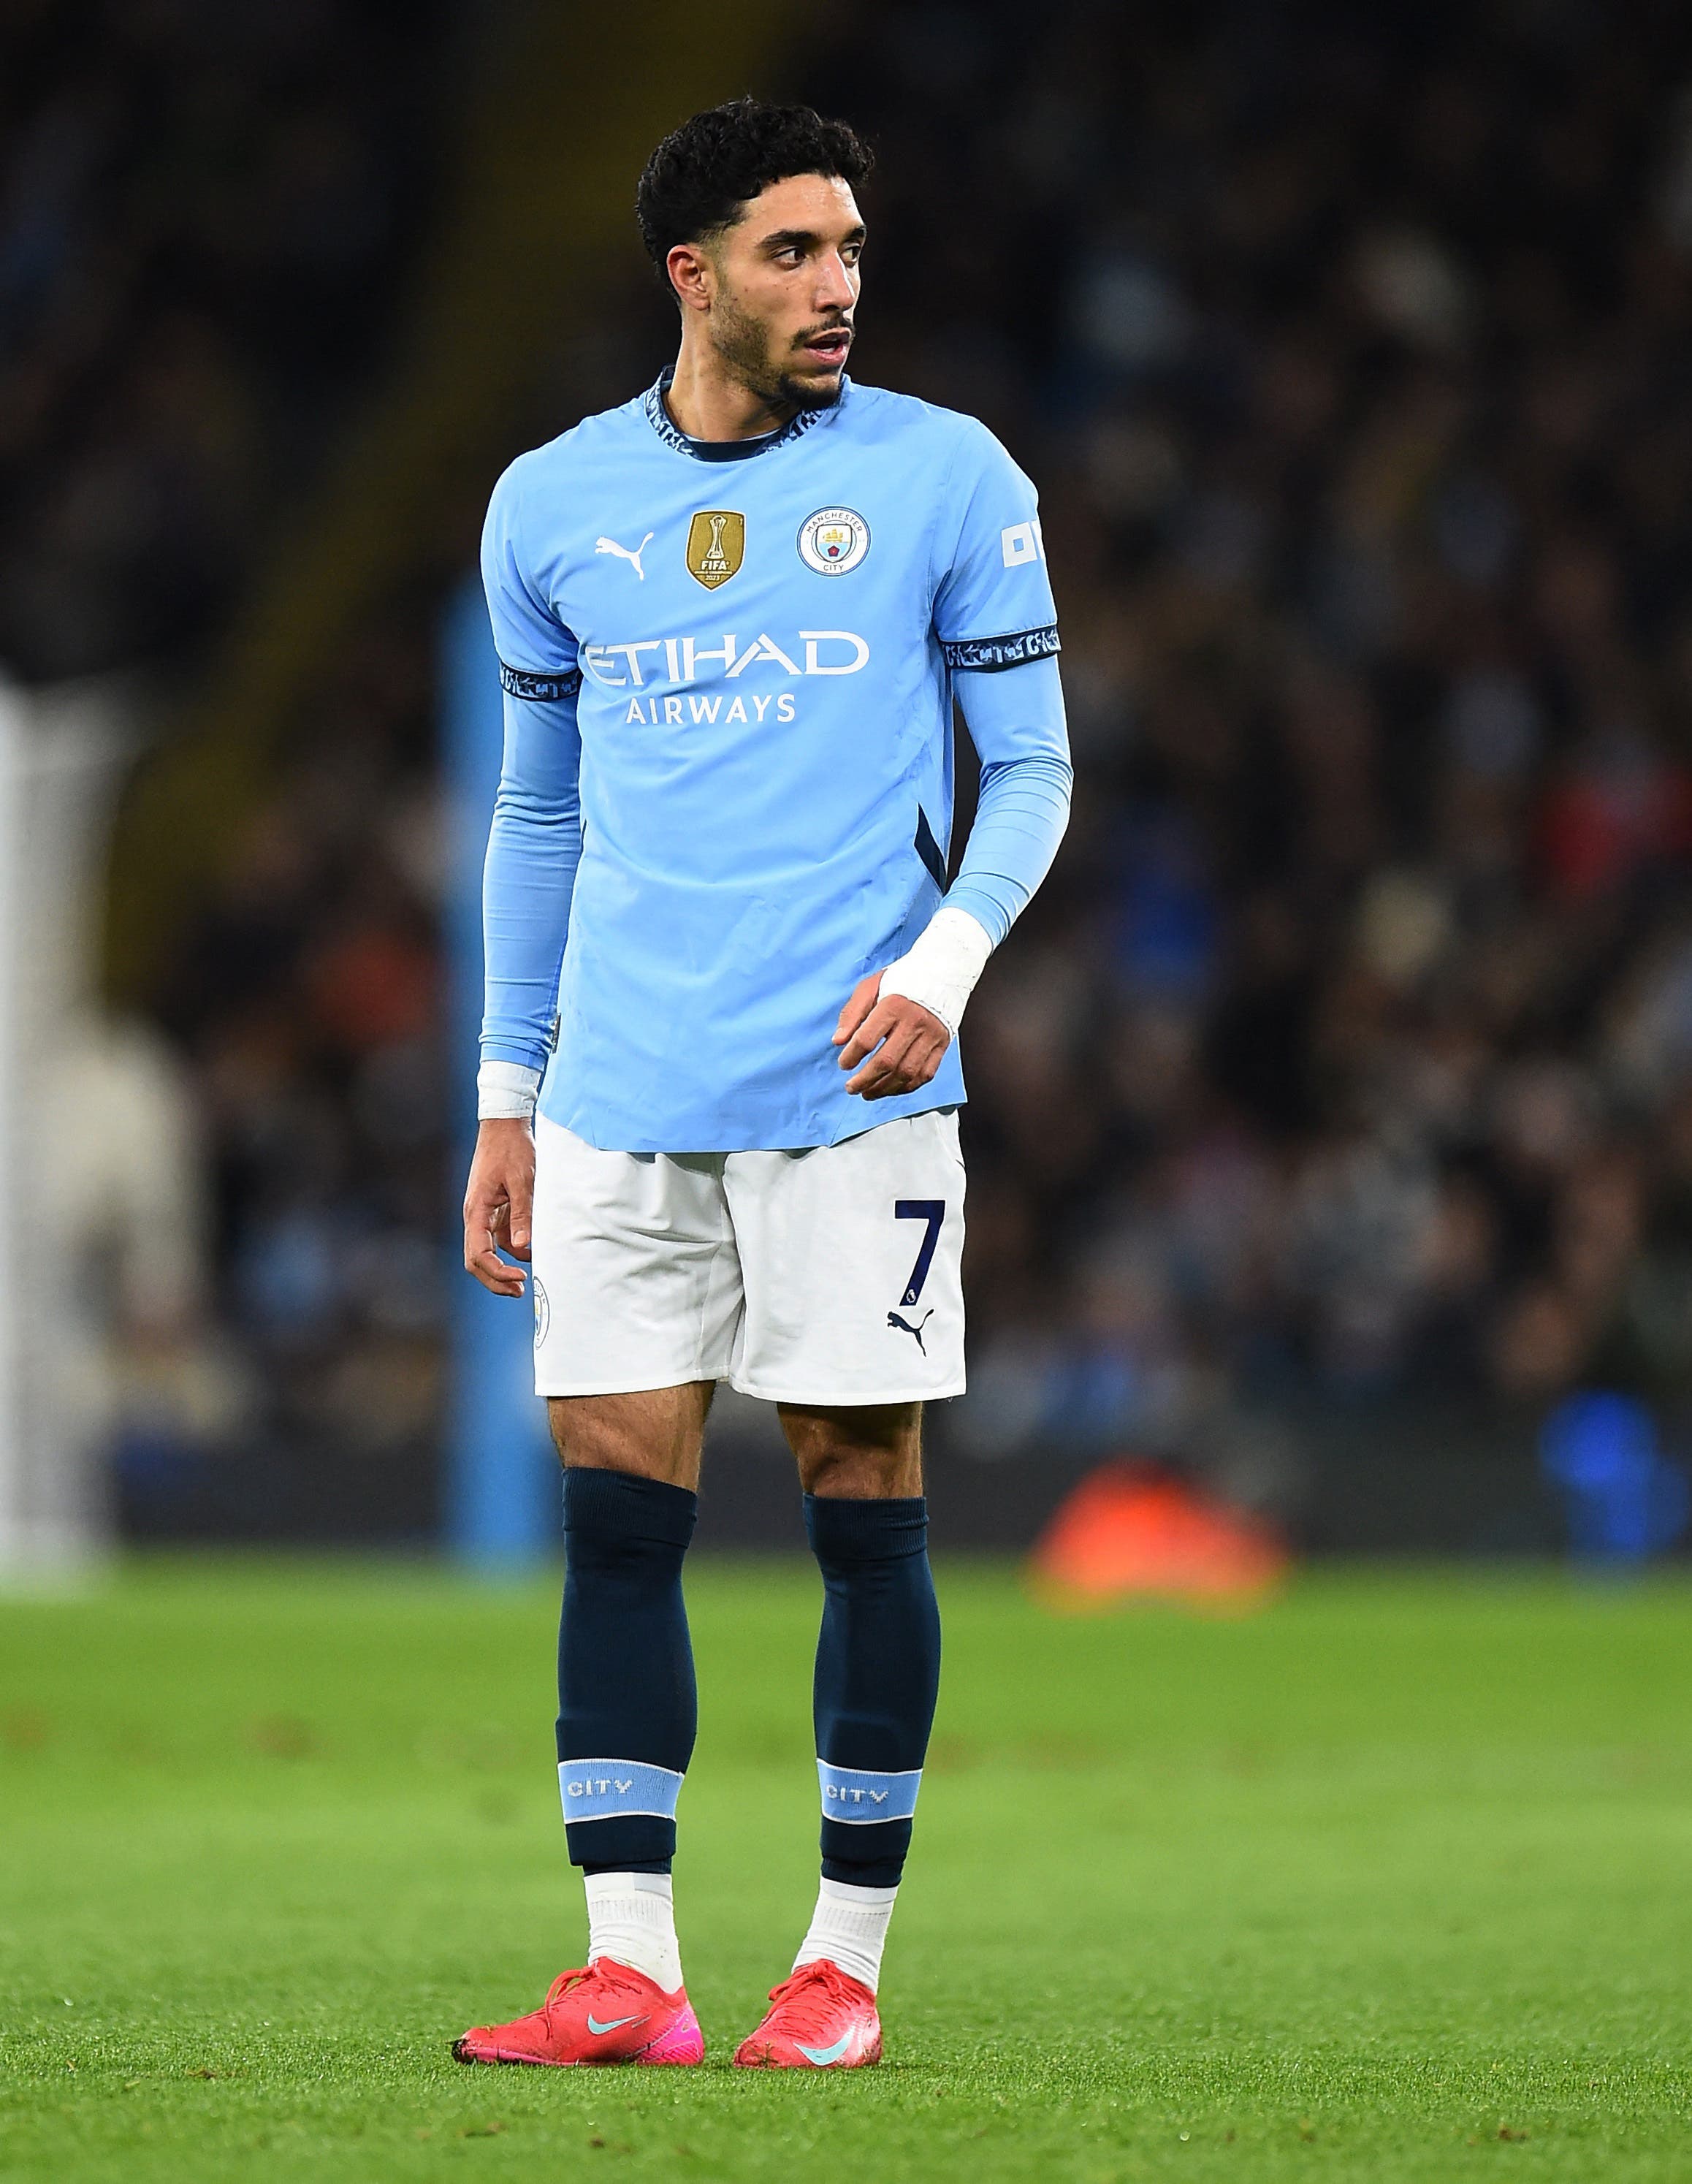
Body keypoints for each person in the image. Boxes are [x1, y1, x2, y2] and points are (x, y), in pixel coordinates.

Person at [454, 96, 1070, 2071]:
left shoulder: (946, 476)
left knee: (858, 1498)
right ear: (689, 274)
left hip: (854, 1091)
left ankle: (842, 1967)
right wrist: (503, 1091)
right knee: (612, 1513)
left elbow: (1033, 770)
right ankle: (626, 1967)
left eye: (852, 252)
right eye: (793, 252)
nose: (836, 288)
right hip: (620, 1092)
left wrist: (944, 965)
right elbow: (535, 811)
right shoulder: (550, 506)